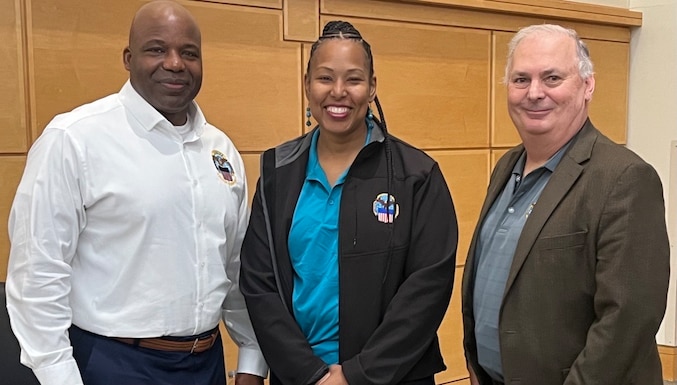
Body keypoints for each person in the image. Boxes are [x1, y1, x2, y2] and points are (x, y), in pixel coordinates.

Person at [5, 1, 267, 385]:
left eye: (189, 53)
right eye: (157, 49)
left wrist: (251, 358)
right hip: (112, 363)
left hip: (206, 364)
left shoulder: (221, 150)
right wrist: (57, 374)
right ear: (129, 58)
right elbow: (37, 273)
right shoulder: (74, 140)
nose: (175, 63)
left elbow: (234, 267)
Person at [239, 20, 458, 385]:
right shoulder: (278, 173)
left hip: (392, 376)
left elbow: (427, 288)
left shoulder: (417, 175)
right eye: (325, 78)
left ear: (372, 87)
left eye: (354, 79)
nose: (338, 92)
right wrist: (311, 374)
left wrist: (357, 375)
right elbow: (260, 285)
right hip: (298, 377)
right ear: (307, 84)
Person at [461, 24, 670, 385]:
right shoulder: (506, 167)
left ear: (587, 86)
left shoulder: (624, 179)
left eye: (552, 78)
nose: (534, 93)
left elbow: (628, 319)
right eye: (521, 80)